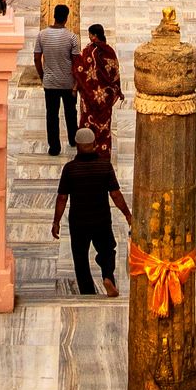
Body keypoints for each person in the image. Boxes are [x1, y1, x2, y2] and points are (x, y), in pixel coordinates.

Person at [52, 126, 133, 297]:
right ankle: (107, 276)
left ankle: (87, 292)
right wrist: (127, 214)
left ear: (77, 145)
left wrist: (56, 222)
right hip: (101, 219)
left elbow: (62, 198)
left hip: (78, 221)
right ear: (95, 144)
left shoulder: (70, 169)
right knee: (107, 249)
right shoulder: (104, 166)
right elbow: (115, 194)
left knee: (80, 257)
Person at [34, 3, 79, 155]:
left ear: (54, 16)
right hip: (68, 83)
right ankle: (73, 139)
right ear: (66, 18)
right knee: (71, 113)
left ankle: (54, 147)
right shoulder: (72, 37)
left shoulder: (42, 35)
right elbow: (76, 63)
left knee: (52, 115)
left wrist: (42, 75)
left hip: (50, 82)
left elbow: (37, 58)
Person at [72, 22, 123, 155]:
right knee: (104, 126)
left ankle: (86, 150)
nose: (88, 36)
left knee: (88, 123)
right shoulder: (110, 51)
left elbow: (80, 69)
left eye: (89, 34)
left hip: (90, 96)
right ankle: (103, 152)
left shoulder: (89, 51)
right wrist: (117, 89)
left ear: (94, 36)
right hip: (105, 97)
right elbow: (115, 71)